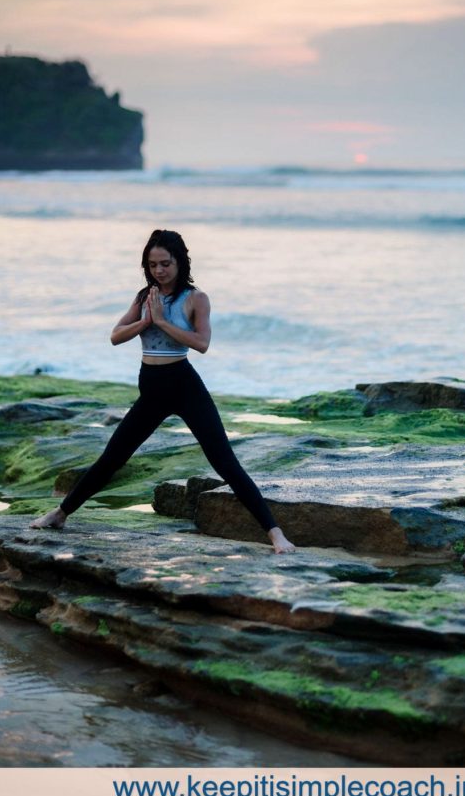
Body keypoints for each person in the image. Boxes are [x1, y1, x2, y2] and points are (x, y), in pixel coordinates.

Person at [31, 229, 296, 554]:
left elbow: (202, 343)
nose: (159, 270)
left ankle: (276, 535)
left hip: (184, 386)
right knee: (113, 456)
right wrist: (145, 322)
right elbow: (115, 336)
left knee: (224, 462)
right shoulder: (145, 296)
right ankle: (60, 514)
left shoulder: (196, 299)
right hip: (152, 390)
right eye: (153, 264)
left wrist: (163, 322)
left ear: (180, 262)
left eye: (165, 263)